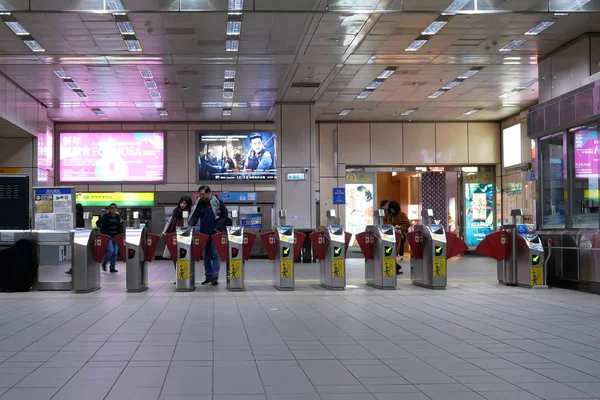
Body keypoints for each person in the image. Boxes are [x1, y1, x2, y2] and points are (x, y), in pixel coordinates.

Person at [189, 185, 230, 285]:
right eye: (200, 194)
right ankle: (208, 276)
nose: (201, 196)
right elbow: (195, 216)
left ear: (208, 193)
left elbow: (224, 216)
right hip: (204, 232)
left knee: (215, 254)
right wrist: (189, 226)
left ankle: (215, 276)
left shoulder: (217, 202)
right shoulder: (199, 203)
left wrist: (217, 227)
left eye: (203, 194)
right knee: (206, 255)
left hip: (216, 232)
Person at [386, 201, 411, 274]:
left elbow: (407, 223)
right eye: (391, 209)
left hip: (399, 235)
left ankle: (396, 267)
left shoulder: (401, 214)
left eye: (393, 209)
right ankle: (396, 267)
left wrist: (400, 227)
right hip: (389, 235)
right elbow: (384, 221)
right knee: (390, 252)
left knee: (394, 251)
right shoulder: (388, 214)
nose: (392, 211)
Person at [96, 203, 122, 273]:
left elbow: (120, 227)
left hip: (116, 237)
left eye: (114, 208)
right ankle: (104, 262)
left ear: (116, 209)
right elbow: (98, 223)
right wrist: (102, 230)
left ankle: (112, 267)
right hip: (108, 237)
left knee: (115, 253)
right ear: (109, 209)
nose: (113, 209)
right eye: (111, 208)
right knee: (110, 251)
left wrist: (120, 235)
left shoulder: (117, 217)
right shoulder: (106, 216)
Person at [66, 203, 85, 275]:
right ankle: (80, 268)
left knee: (74, 254)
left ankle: (73, 268)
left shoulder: (74, 216)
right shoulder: (83, 216)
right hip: (82, 237)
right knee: (80, 254)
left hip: (75, 236)